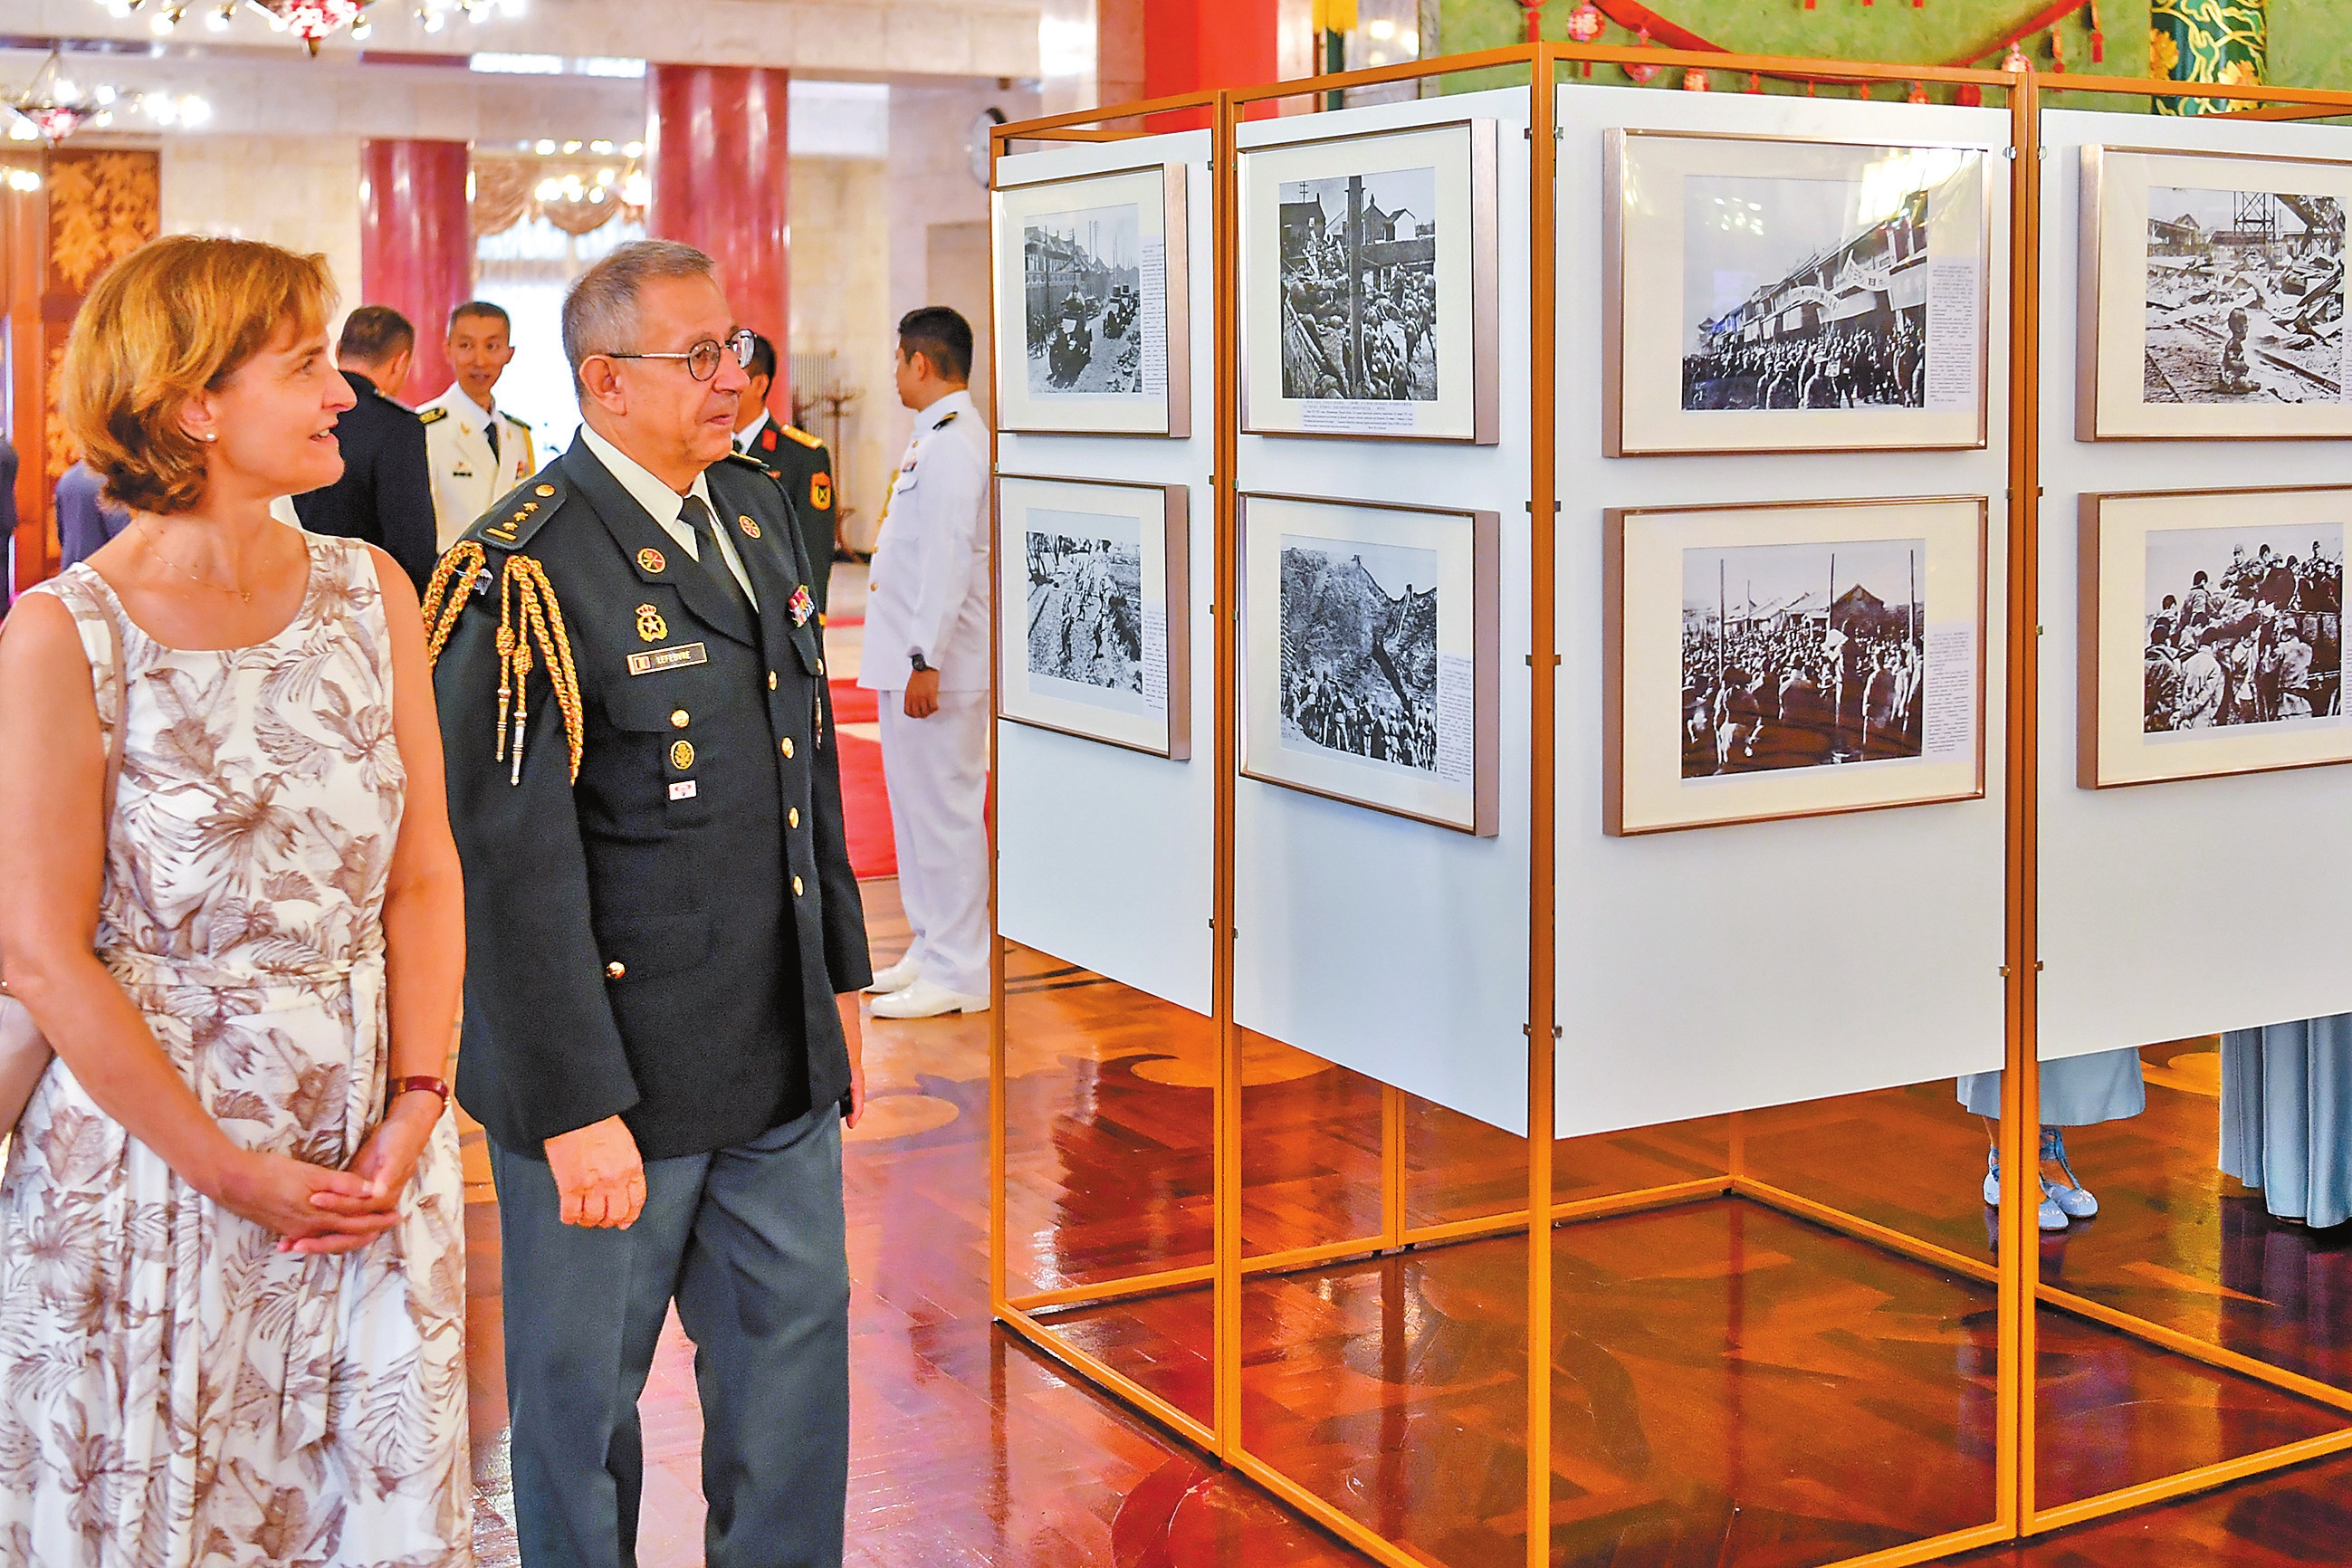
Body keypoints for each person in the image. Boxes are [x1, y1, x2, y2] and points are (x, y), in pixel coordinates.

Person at [0, 234, 469, 1561]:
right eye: (306, 364)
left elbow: (424, 871)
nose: (342, 392)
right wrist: (228, 1172)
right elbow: (39, 953)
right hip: (151, 1168)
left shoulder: (371, 591)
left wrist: (417, 1102)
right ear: (194, 403)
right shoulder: (66, 634)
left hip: (368, 1158)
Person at [426, 238, 869, 1568]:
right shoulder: (520, 570)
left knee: (794, 1389)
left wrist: (841, 982)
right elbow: (504, 868)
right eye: (700, 356)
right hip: (612, 1084)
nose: (733, 376)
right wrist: (571, 1107)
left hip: (773, 1053)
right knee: (579, 1418)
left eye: (734, 348)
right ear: (606, 383)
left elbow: (803, 768)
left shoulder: (753, 512)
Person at [859, 306, 992, 1019]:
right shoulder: (933, 438)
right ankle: (931, 944)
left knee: (945, 815)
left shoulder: (954, 444)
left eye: (898, 359)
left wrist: (925, 658)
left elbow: (947, 561)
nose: (894, 373)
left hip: (935, 668)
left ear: (920, 361)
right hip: (909, 660)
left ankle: (961, 969)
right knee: (915, 814)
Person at [289, 303, 439, 593]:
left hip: (290, 590)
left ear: (338, 350)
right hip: (367, 599)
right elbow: (412, 547)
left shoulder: (294, 411)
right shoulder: (397, 427)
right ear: (399, 362)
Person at [733, 329, 840, 611]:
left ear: (759, 384)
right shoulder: (708, 451)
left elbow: (813, 550)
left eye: (736, 378)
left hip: (775, 610)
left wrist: (810, 621)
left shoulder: (802, 456)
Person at [418, 298, 536, 550]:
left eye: (492, 346)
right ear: (448, 350)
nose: (480, 361)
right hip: (447, 570)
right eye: (466, 346)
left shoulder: (517, 434)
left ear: (509, 353)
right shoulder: (422, 428)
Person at [56, 457, 132, 566]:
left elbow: (63, 535)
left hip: (76, 570)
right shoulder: (122, 479)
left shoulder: (69, 478)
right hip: (110, 570)